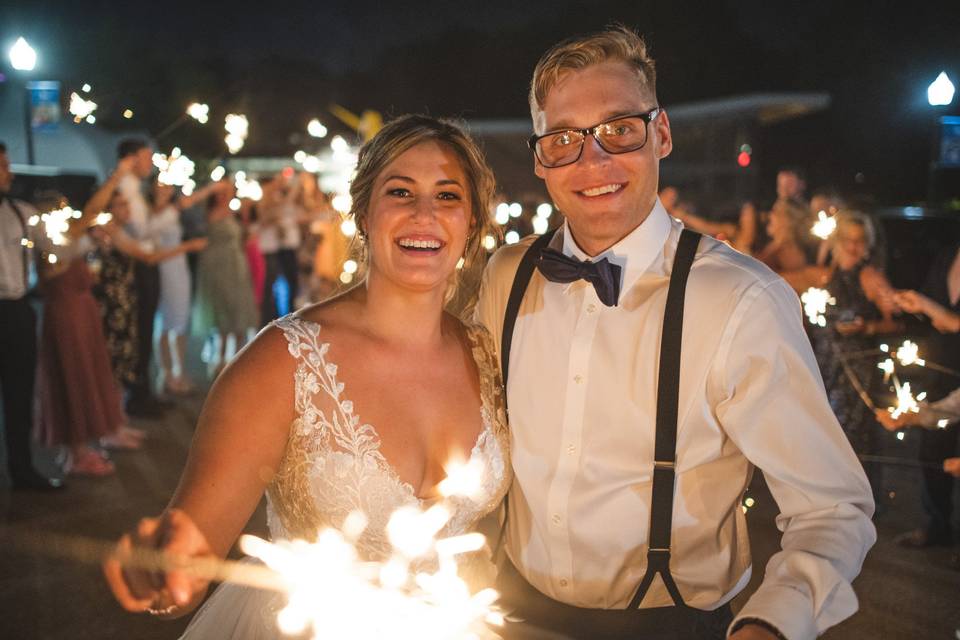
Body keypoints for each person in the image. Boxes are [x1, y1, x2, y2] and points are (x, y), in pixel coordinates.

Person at [475, 26, 874, 640]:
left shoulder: (744, 298)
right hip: (511, 611)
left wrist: (771, 624)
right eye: (564, 140)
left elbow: (831, 509)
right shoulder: (505, 275)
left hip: (675, 624)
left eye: (619, 129)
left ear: (660, 132)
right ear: (540, 159)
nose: (594, 160)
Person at [103, 115, 510, 639]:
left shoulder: (484, 351)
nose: (424, 214)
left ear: (472, 221)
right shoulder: (283, 362)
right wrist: (159, 574)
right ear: (363, 213)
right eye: (401, 192)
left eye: (448, 196)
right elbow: (190, 556)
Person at [808, 211, 902, 509]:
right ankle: (827, 504)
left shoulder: (870, 276)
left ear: (868, 244)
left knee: (852, 438)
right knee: (823, 435)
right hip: (824, 365)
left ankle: (855, 506)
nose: (852, 246)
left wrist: (868, 327)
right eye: (847, 239)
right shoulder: (827, 273)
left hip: (855, 373)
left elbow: (896, 323)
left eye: (859, 241)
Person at [886, 243, 960, 551]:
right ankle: (936, 525)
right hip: (942, 367)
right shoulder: (947, 254)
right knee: (933, 451)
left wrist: (933, 310)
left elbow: (949, 320)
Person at [0, 141, 64, 490]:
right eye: (2, 167)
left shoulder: (23, 213)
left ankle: (22, 469)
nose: (9, 173)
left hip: (16, 311)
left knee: (19, 394)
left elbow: (57, 248)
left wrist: (86, 235)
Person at [115, 138, 167, 417]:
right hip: (138, 266)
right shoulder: (126, 190)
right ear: (132, 159)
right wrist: (162, 206)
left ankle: (143, 390)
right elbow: (142, 232)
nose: (151, 163)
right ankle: (137, 395)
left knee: (145, 330)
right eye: (147, 157)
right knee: (140, 330)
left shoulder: (136, 189)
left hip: (146, 262)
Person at [191, 180, 259, 376]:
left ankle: (236, 359)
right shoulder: (211, 214)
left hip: (237, 266)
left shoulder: (235, 213)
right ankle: (219, 360)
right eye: (221, 192)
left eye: (227, 192)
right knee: (224, 313)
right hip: (219, 268)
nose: (224, 196)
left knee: (239, 311)